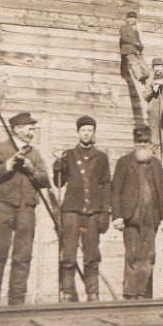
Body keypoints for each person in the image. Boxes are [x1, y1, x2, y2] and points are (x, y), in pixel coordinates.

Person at [0, 111, 51, 307]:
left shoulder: (34, 153)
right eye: (29, 128)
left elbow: (45, 180)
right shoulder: (1, 149)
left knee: (23, 257)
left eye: (33, 129)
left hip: (26, 209)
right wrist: (10, 164)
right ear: (17, 129)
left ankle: (17, 304)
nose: (32, 132)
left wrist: (31, 169)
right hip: (3, 207)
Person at [52, 115, 111, 302]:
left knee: (92, 254)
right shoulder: (67, 155)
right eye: (83, 130)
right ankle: (67, 292)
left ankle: (93, 294)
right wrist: (57, 168)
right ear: (78, 132)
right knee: (68, 253)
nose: (86, 133)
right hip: (72, 214)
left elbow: (106, 186)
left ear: (94, 133)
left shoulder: (101, 158)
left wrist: (104, 213)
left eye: (90, 130)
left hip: (90, 216)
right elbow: (58, 183)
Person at [111, 125, 163, 299]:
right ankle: (130, 293)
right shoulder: (124, 162)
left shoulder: (156, 164)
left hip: (151, 216)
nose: (142, 145)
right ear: (134, 142)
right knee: (132, 254)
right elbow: (115, 191)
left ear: (150, 143)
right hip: (131, 216)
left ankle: (143, 292)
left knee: (149, 255)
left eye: (146, 141)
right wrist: (117, 216)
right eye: (139, 142)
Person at [143, 57, 163, 152]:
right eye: (156, 66)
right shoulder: (149, 80)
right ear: (153, 68)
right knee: (155, 137)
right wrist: (152, 89)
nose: (158, 68)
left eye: (160, 66)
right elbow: (145, 96)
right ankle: (157, 159)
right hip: (153, 110)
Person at [118, 9, 147, 83]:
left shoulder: (136, 30)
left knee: (142, 63)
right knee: (134, 62)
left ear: (136, 19)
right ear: (127, 19)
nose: (132, 19)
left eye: (134, 18)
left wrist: (140, 46)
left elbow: (139, 41)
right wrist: (136, 43)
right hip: (128, 51)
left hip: (136, 52)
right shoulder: (124, 27)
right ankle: (139, 76)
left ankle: (146, 74)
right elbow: (125, 39)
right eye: (130, 18)